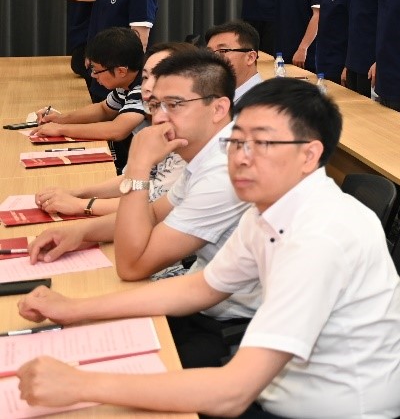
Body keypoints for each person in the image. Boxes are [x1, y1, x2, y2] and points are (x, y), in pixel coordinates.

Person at [15, 79, 400, 419]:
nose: (240, 158)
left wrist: (81, 385)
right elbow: (201, 287)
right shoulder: (270, 207)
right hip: (282, 387)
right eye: (237, 142)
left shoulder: (320, 239)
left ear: (309, 154)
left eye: (262, 144)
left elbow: (231, 393)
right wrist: (74, 308)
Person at [27, 49, 258, 367]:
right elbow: (151, 214)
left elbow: (133, 266)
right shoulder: (207, 153)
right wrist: (80, 232)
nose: (159, 117)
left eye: (174, 105)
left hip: (232, 327)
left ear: (218, 108)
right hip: (198, 298)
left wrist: (138, 166)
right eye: (155, 105)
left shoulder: (224, 171)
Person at [33, 41, 197, 224]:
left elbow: (152, 206)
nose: (147, 86)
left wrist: (82, 204)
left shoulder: (190, 138)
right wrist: (77, 193)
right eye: (145, 77)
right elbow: (132, 181)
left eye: (159, 76)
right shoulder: (160, 126)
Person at [29, 27, 149, 172]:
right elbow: (103, 109)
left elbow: (116, 130)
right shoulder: (126, 83)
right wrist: (60, 119)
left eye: (96, 70)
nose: (93, 75)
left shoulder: (145, 89)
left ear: (121, 71)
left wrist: (61, 129)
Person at [204, 21, 265, 100]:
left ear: (250, 57)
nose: (213, 58)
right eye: (209, 52)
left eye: (222, 51)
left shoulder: (263, 101)